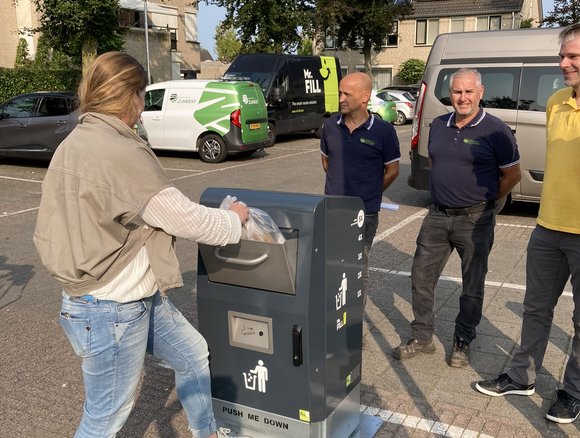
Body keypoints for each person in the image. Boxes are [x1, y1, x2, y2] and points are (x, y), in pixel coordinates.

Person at [32, 51, 248, 438]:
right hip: (112, 307)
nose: (142, 108)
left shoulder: (76, 140)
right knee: (104, 419)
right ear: (130, 95)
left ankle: (207, 431)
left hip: (122, 297)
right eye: (142, 97)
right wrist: (234, 220)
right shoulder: (118, 150)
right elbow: (182, 217)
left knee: (193, 353)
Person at [475, 23, 580, 424]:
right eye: (562, 55)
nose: (564, 63)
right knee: (536, 308)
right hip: (549, 225)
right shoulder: (555, 101)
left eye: (573, 56)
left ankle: (573, 391)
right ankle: (522, 376)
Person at [392, 68, 522, 368]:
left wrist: (486, 200)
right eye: (456, 92)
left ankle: (463, 340)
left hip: (475, 219)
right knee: (421, 277)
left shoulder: (496, 130)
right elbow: (439, 162)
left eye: (468, 91)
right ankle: (422, 337)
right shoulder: (438, 125)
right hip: (437, 216)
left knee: (472, 284)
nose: (462, 98)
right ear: (449, 94)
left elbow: (512, 174)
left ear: (480, 92)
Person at [320, 72, 400, 307]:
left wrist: (370, 192)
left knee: (357, 267)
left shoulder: (383, 131)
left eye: (347, 94)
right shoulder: (329, 126)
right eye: (340, 93)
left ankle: (353, 325)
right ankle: (332, 317)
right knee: (332, 265)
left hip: (365, 213)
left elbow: (392, 171)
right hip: (333, 211)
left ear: (365, 97)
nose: (341, 98)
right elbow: (327, 163)